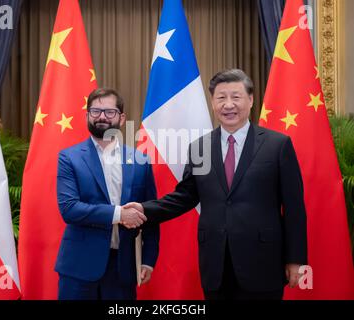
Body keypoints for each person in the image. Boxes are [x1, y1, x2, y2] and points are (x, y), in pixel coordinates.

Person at [125, 69, 307, 300]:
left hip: (263, 261)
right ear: (212, 102)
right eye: (221, 98)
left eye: (236, 97)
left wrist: (295, 259)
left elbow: (294, 209)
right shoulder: (201, 148)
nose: (228, 104)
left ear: (250, 100)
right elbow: (185, 196)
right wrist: (144, 209)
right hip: (216, 263)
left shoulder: (277, 145)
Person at [55, 88, 159, 300]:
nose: (102, 116)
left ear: (121, 118)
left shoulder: (140, 160)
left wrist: (148, 259)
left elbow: (151, 214)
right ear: (87, 116)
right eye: (95, 111)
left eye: (109, 112)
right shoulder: (69, 158)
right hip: (79, 268)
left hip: (124, 269)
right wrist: (120, 214)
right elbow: (70, 209)